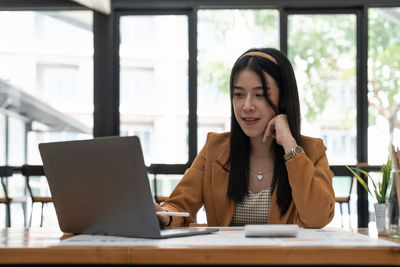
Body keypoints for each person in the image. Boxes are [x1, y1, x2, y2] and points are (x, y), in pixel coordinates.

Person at [155, 48, 335, 228]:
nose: (247, 106)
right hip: (227, 256)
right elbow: (178, 205)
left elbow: (317, 218)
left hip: (284, 256)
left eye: (260, 95)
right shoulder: (215, 148)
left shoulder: (312, 151)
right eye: (239, 94)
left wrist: (289, 143)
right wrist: (165, 215)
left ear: (283, 98)